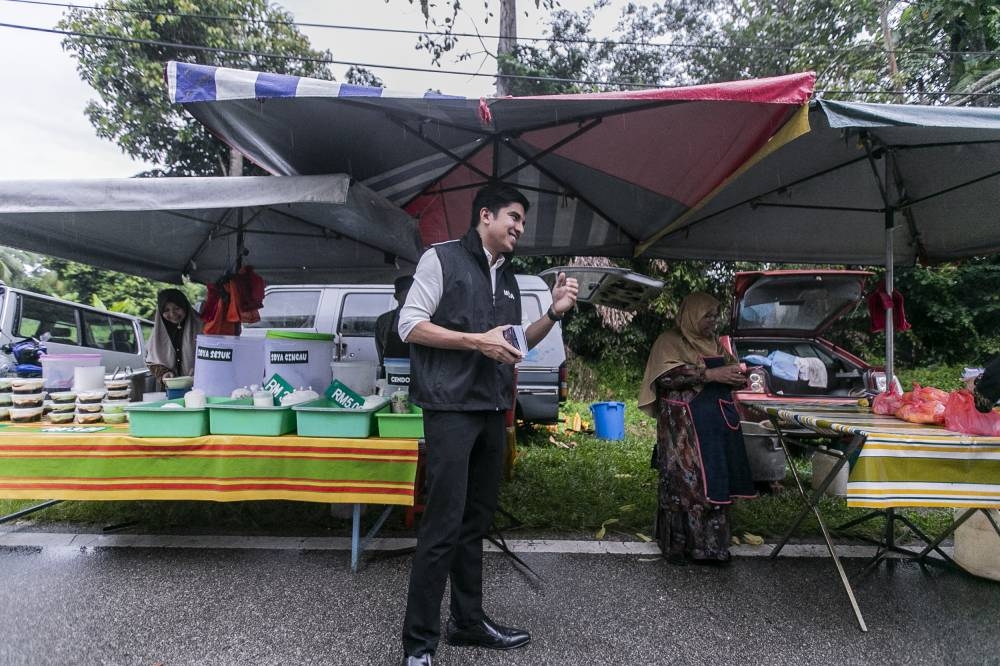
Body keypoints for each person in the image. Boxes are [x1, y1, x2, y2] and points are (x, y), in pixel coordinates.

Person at [396, 183, 578, 666]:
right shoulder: (441, 260)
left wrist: (553, 315)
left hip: (492, 410)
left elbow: (516, 340)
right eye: (513, 217)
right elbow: (409, 325)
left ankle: (468, 623)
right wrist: (476, 341)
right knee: (442, 525)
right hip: (451, 410)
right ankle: (418, 644)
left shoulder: (512, 280)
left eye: (521, 220)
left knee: (475, 522)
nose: (519, 227)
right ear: (485, 216)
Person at [638, 292, 757, 566]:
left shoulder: (714, 342)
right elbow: (665, 377)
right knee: (685, 485)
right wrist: (708, 374)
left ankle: (712, 549)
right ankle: (680, 548)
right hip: (684, 430)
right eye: (708, 315)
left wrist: (737, 376)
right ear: (692, 313)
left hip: (715, 424)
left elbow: (728, 369)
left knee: (715, 481)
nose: (713, 321)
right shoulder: (670, 341)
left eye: (716, 316)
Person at [145, 288, 200, 387]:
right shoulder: (158, 333)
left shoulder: (201, 327)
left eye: (177, 308)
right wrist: (164, 374)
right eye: (166, 310)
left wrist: (199, 372)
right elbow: (152, 361)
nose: (172, 314)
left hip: (199, 388)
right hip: (170, 390)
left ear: (185, 306)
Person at [374, 275, 414, 364]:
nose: (409, 298)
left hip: (418, 371)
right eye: (405, 294)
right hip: (392, 369)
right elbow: (380, 350)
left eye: (412, 294)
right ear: (396, 296)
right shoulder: (383, 320)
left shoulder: (428, 318)